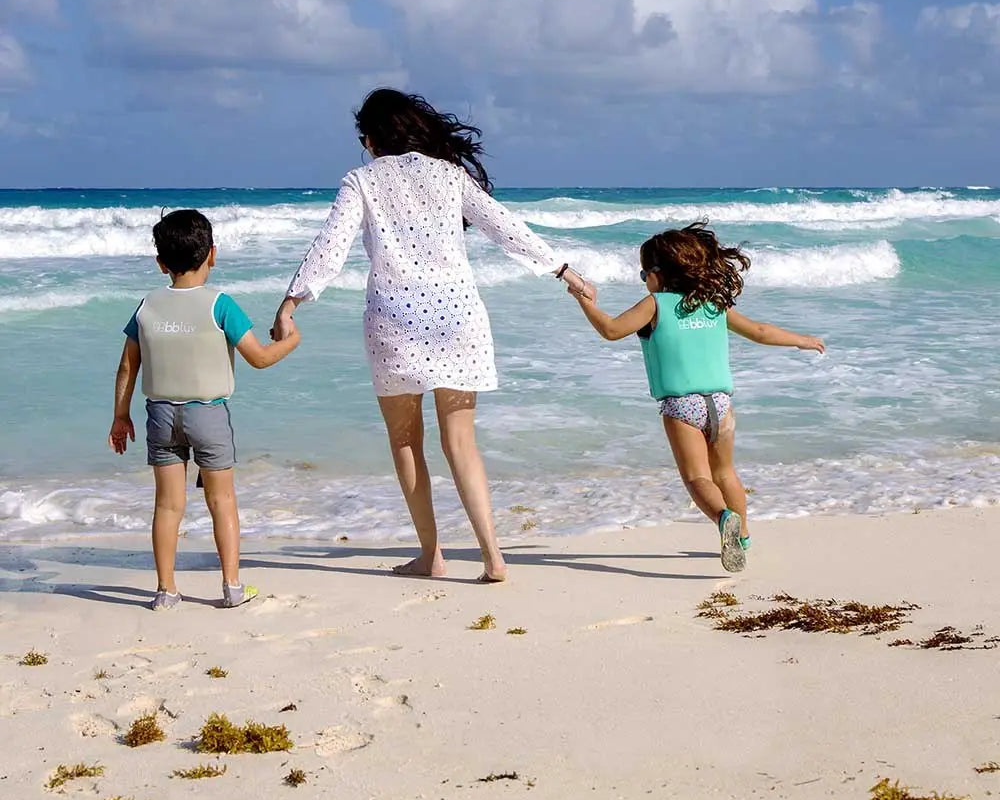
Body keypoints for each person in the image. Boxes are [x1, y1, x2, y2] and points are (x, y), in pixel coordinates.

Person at [271, 88, 590, 583]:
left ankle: (431, 556)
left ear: (374, 138)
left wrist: (293, 300)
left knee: (405, 442)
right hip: (458, 318)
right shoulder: (449, 174)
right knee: (461, 443)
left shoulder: (362, 181)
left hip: (393, 323)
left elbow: (329, 248)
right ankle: (492, 557)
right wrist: (562, 269)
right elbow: (504, 227)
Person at [568, 221, 824, 572]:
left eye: (644, 273)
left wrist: (586, 302)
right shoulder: (713, 304)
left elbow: (611, 330)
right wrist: (802, 339)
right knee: (725, 472)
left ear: (658, 274)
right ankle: (743, 536)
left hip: (680, 405)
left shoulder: (655, 304)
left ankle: (723, 519)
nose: (644, 280)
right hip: (721, 404)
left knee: (697, 478)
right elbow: (761, 332)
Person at [108, 209, 301, 610]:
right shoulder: (221, 305)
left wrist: (120, 415)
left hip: (159, 414)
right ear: (212, 254)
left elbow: (129, 365)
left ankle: (166, 591)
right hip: (208, 414)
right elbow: (260, 358)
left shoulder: (146, 306)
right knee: (222, 500)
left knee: (167, 505)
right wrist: (292, 340)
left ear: (161, 262)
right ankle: (231, 587)